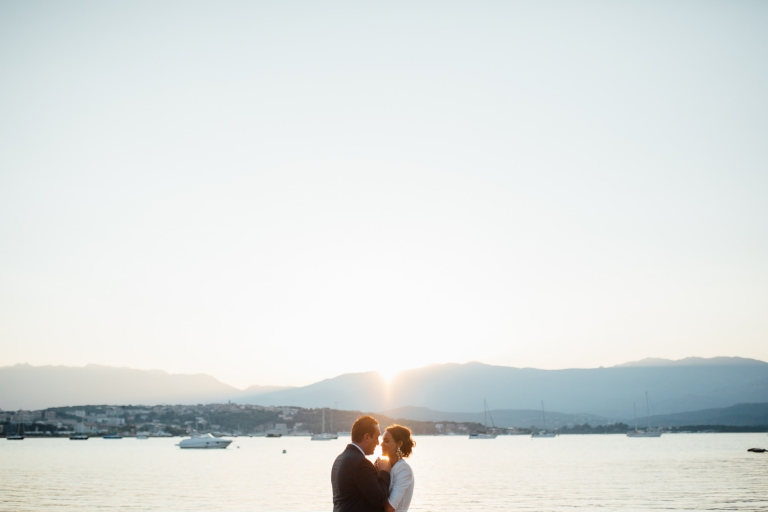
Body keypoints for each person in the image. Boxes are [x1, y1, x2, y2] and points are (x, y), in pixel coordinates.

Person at [331, 415, 391, 512]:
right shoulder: (361, 464)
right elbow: (379, 499)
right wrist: (384, 472)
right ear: (367, 437)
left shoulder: (339, 459)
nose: (378, 443)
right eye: (377, 437)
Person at [379, 424, 415, 512]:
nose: (381, 444)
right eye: (382, 441)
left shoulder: (403, 469)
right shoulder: (386, 466)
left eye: (386, 441)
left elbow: (389, 509)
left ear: (399, 444)